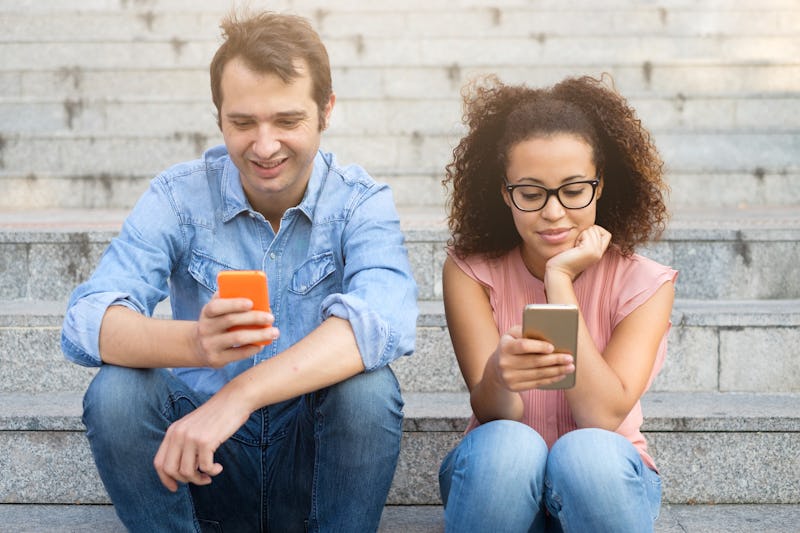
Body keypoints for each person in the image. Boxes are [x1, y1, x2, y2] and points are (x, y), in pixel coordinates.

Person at [61, 10, 417, 533]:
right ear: (219, 117)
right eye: (243, 123)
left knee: (368, 390)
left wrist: (241, 394)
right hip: (203, 462)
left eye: (287, 121)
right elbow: (86, 322)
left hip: (308, 456)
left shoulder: (359, 202)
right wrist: (198, 345)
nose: (265, 146)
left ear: (326, 110)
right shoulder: (179, 196)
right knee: (116, 393)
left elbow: (384, 321)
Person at [437, 74, 677, 532]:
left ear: (600, 186)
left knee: (585, 452)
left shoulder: (645, 282)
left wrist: (559, 279)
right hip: (497, 481)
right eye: (531, 194)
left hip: (603, 481)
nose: (553, 212)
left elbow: (601, 416)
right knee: (510, 445)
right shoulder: (471, 271)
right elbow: (494, 413)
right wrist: (499, 377)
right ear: (505, 193)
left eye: (573, 191)